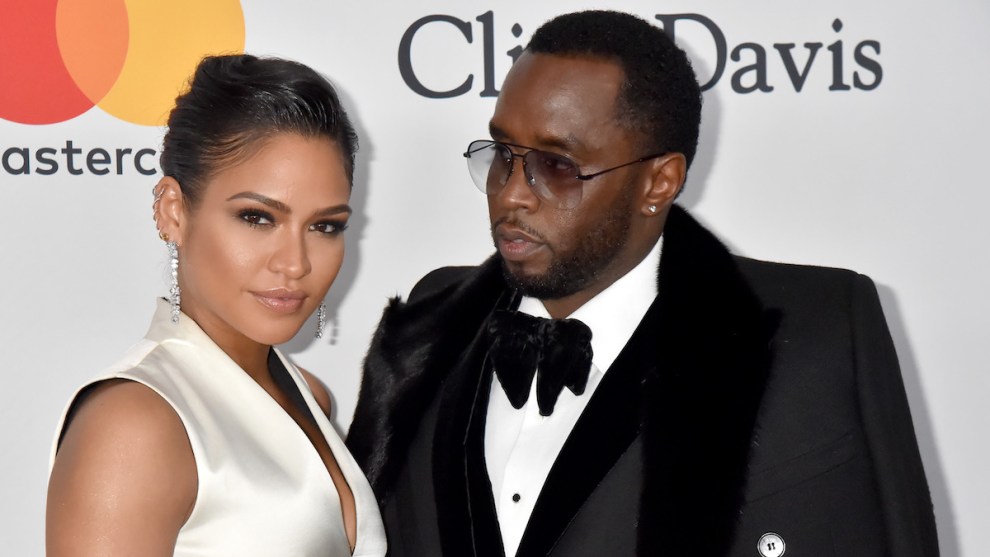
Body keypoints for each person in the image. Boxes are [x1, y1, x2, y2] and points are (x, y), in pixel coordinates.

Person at [347, 10, 938, 557]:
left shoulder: (822, 332)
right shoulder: (430, 324)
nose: (511, 192)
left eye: (558, 165)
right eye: (503, 152)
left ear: (660, 183)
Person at [47, 54, 386, 557]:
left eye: (324, 226)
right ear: (173, 212)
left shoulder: (308, 397)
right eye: (256, 218)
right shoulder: (133, 426)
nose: (294, 263)